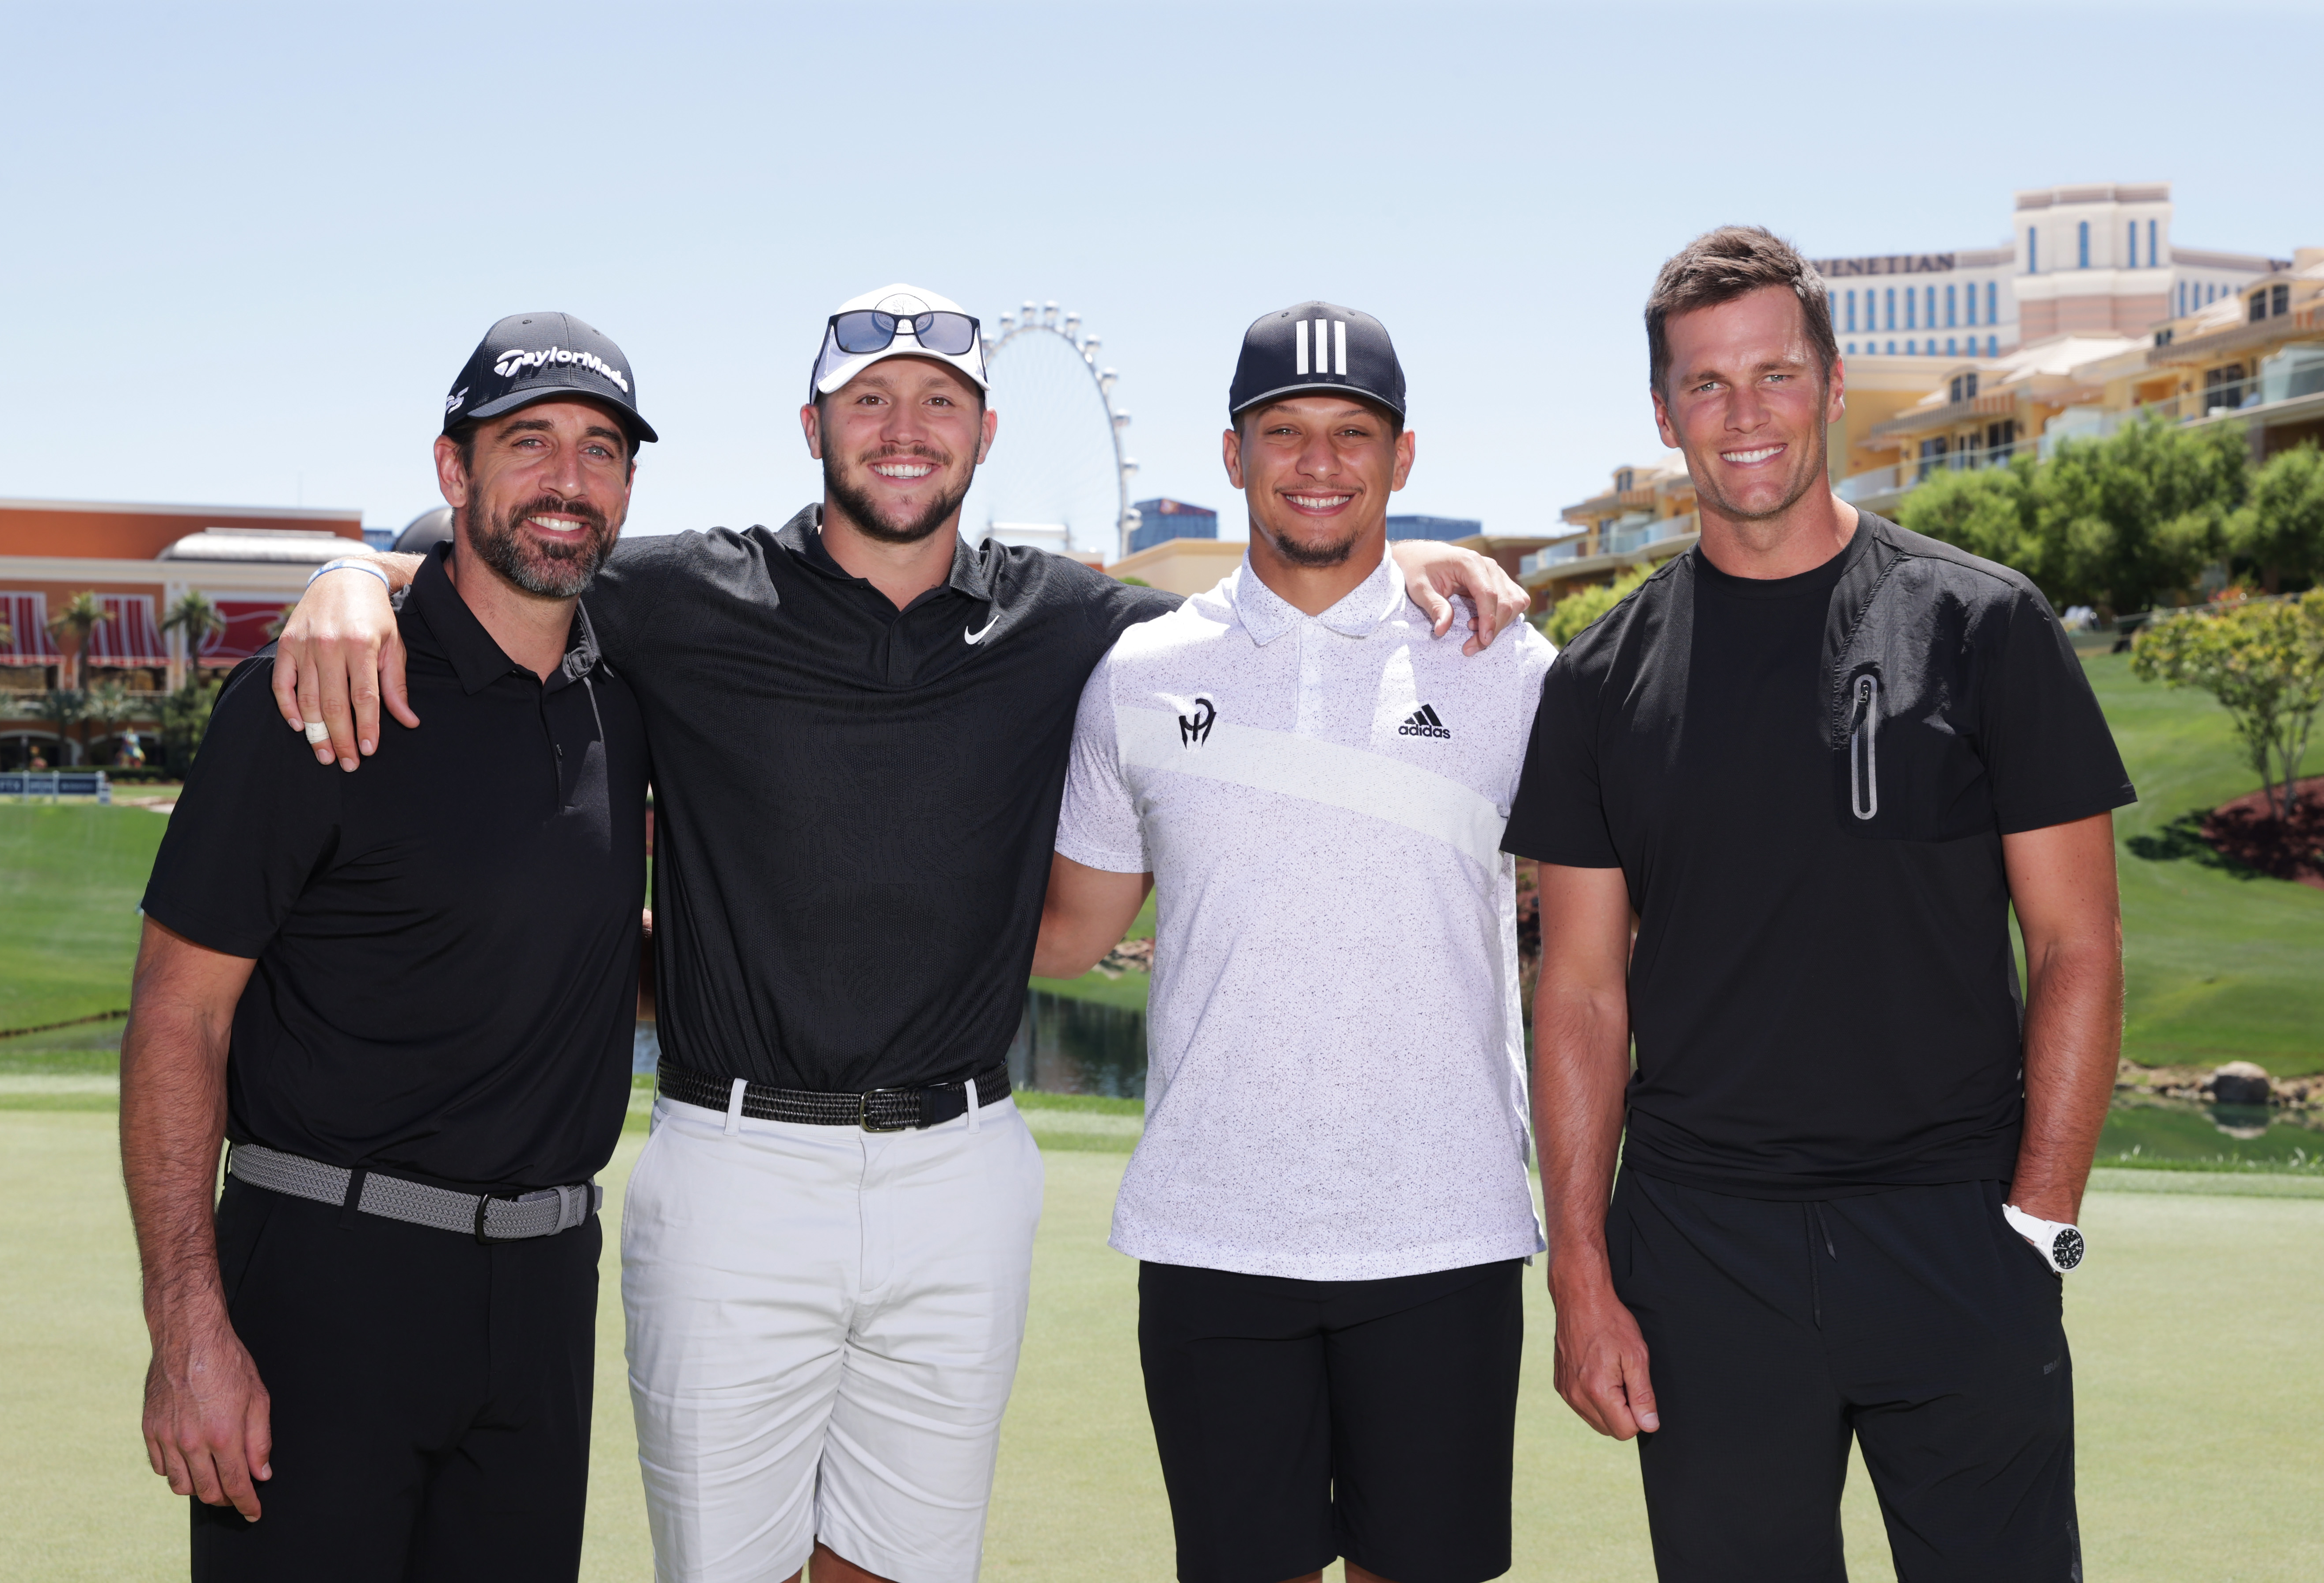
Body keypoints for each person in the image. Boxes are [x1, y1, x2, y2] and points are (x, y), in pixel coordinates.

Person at [267, 284, 1529, 1583]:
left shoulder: (1076, 629)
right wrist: (351, 569)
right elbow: (501, 558)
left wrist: (1409, 566)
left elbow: (1276, 615)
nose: (904, 427)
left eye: (940, 402)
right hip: (732, 1167)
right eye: (869, 400)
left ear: (984, 438)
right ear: (813, 423)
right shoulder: (679, 596)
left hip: (959, 1173)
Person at [1511, 227, 2131, 1582]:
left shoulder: (1984, 625)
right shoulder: (1596, 681)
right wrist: (1580, 1272)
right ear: (1664, 411)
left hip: (1957, 1232)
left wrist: (2038, 1219)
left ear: (1834, 383)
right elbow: (1578, 992)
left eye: (1775, 375)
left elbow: (2078, 944)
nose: (1745, 416)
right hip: (1700, 1251)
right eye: (1708, 385)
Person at [120, 311, 654, 1581]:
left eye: (601, 448)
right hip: (326, 1283)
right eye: (528, 442)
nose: (566, 480)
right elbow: (176, 1018)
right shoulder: (314, 695)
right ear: (451, 469)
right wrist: (187, 1324)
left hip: (542, 1293)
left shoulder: (626, 696)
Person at [1034, 302, 1553, 1583]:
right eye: (1284, 431)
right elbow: (1066, 935)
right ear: (1231, 455)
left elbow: (1596, 927)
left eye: (1350, 432)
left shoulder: (1506, 663)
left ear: (1401, 457)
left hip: (1444, 1229)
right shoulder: (1139, 674)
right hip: (1213, 1231)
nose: (1317, 461)